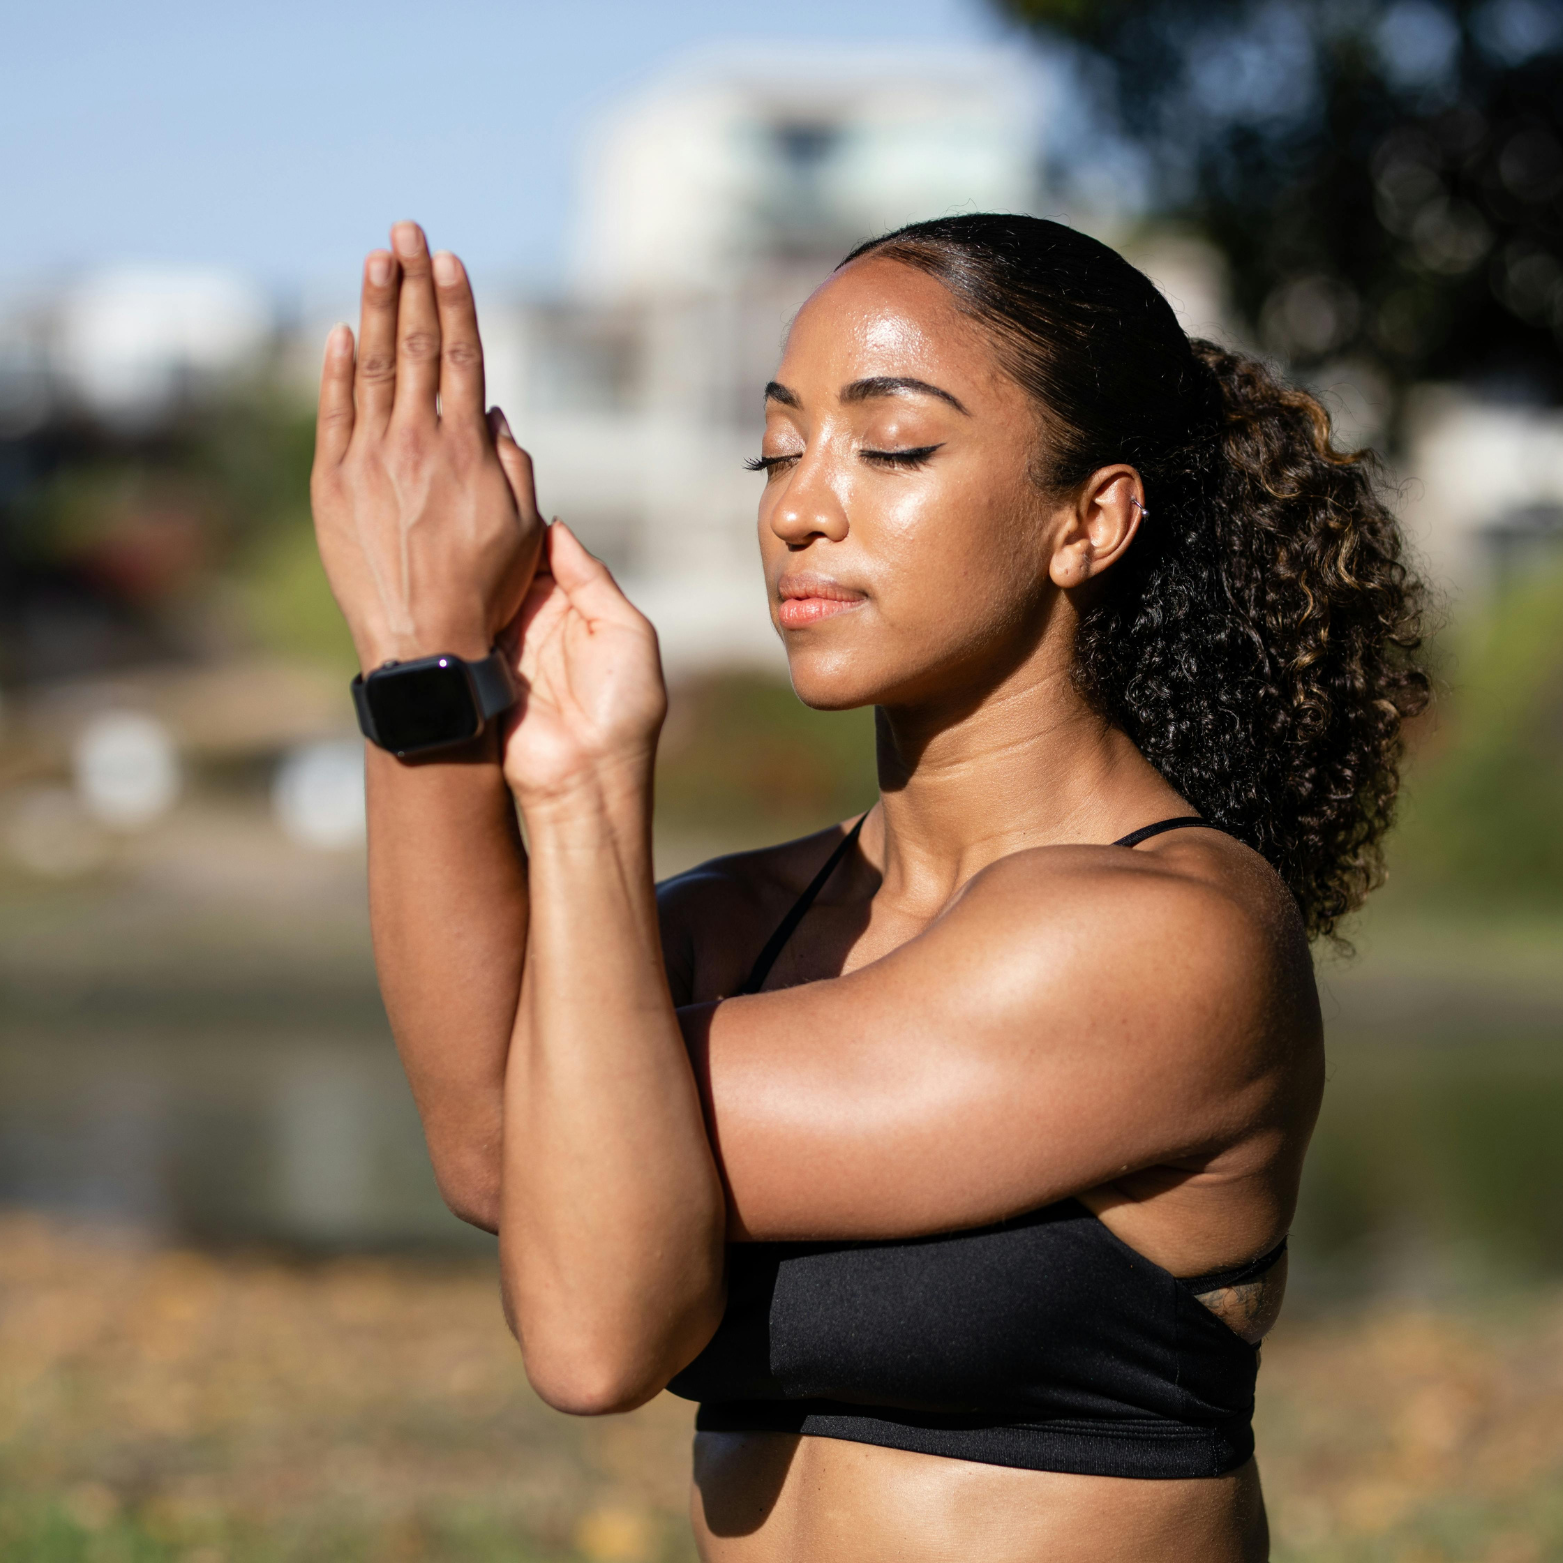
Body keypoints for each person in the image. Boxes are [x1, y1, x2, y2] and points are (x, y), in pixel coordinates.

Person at [311, 214, 1428, 1562]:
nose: (796, 505)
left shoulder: (1161, 936)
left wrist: (587, 792)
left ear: (1089, 519)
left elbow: (595, 1333)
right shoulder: (751, 915)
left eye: (889, 446)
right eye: (776, 448)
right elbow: (507, 1151)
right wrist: (417, 660)